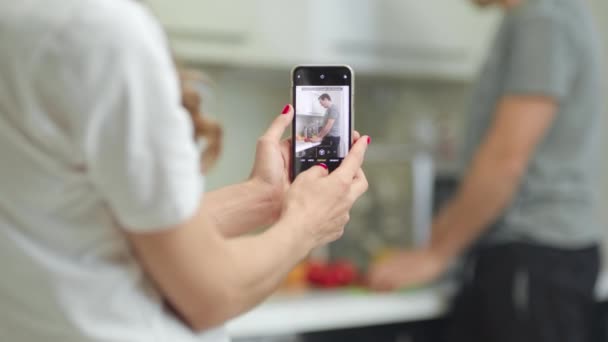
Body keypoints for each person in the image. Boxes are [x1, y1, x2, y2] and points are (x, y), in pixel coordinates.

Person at [0, 1, 370, 341]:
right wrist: (306, 223)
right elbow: (213, 294)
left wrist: (263, 197)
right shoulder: (98, 32)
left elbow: (90, 231)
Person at [369, 0, 603, 341]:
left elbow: (507, 158)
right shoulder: (540, 16)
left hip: (532, 262)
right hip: (533, 260)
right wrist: (440, 236)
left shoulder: (543, 18)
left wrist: (437, 254)